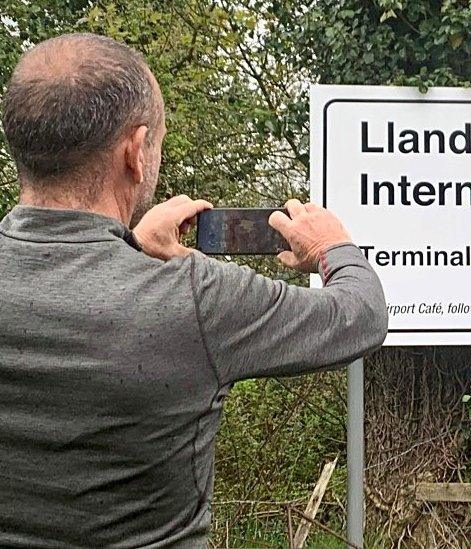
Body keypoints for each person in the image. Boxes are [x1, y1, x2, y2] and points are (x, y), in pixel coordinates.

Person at [0, 33, 387, 546]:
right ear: (135, 153)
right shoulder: (194, 298)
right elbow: (359, 315)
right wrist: (330, 247)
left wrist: (133, 247)